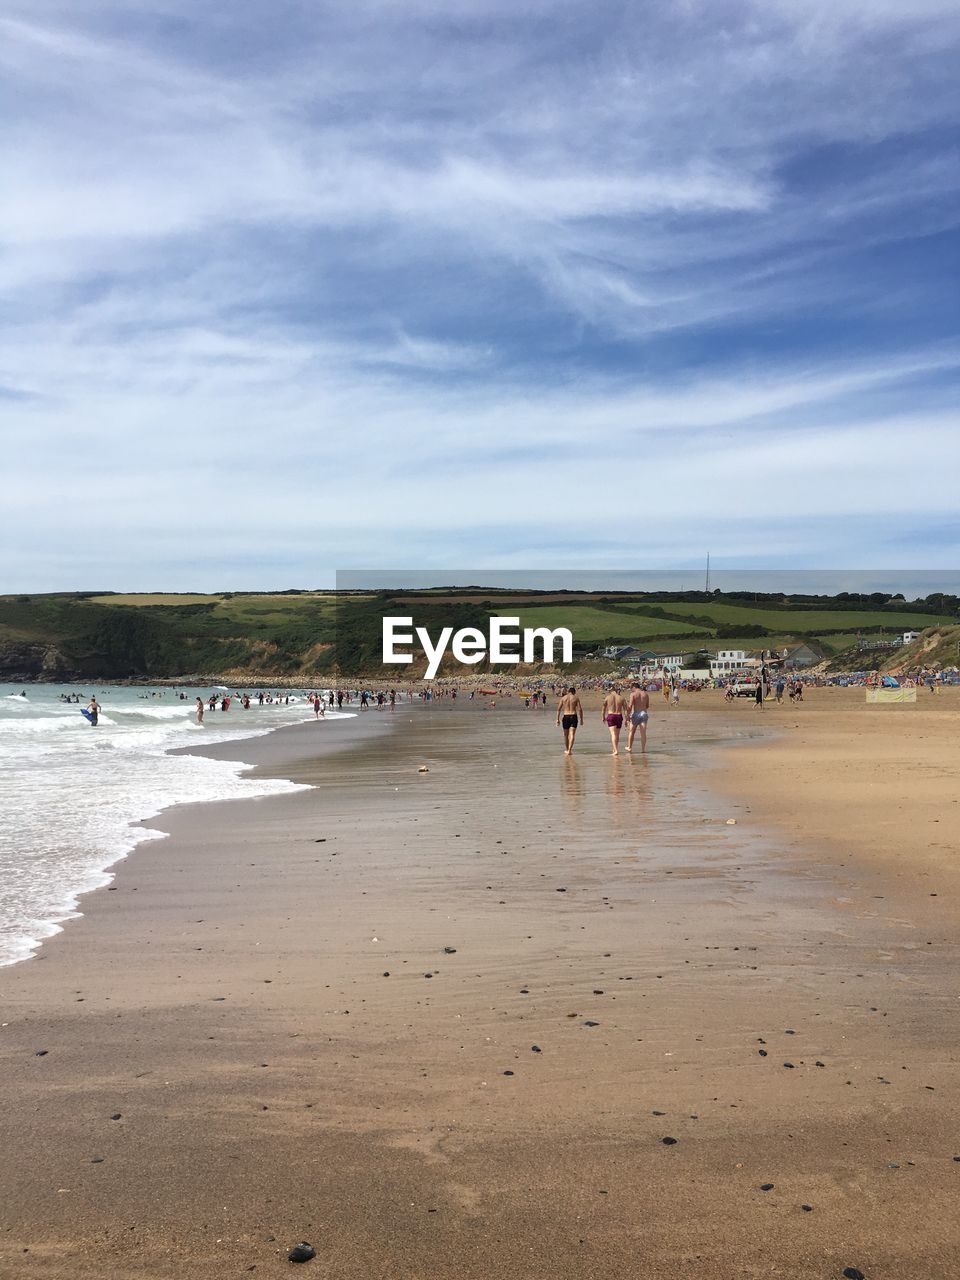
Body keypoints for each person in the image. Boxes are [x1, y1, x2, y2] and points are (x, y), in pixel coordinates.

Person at [556, 686, 583, 755]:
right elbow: (580, 709)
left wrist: (557, 719)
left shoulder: (563, 698)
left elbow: (558, 709)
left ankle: (567, 749)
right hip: (573, 716)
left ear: (568, 692)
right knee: (572, 734)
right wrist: (581, 719)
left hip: (566, 716)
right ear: (574, 692)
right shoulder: (576, 698)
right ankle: (570, 750)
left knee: (565, 735)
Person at [601, 686, 627, 755]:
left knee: (613, 734)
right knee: (617, 734)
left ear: (611, 691)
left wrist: (603, 717)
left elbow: (603, 709)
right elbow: (625, 710)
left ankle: (615, 750)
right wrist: (626, 719)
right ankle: (615, 748)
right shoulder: (621, 698)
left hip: (611, 715)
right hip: (619, 716)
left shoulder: (607, 697)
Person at [626, 682, 650, 753]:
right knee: (643, 733)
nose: (631, 689)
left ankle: (629, 747)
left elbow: (630, 706)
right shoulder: (645, 694)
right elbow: (647, 706)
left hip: (636, 713)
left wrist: (627, 714)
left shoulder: (633, 694)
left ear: (634, 687)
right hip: (644, 713)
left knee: (631, 731)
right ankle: (643, 750)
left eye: (631, 688)